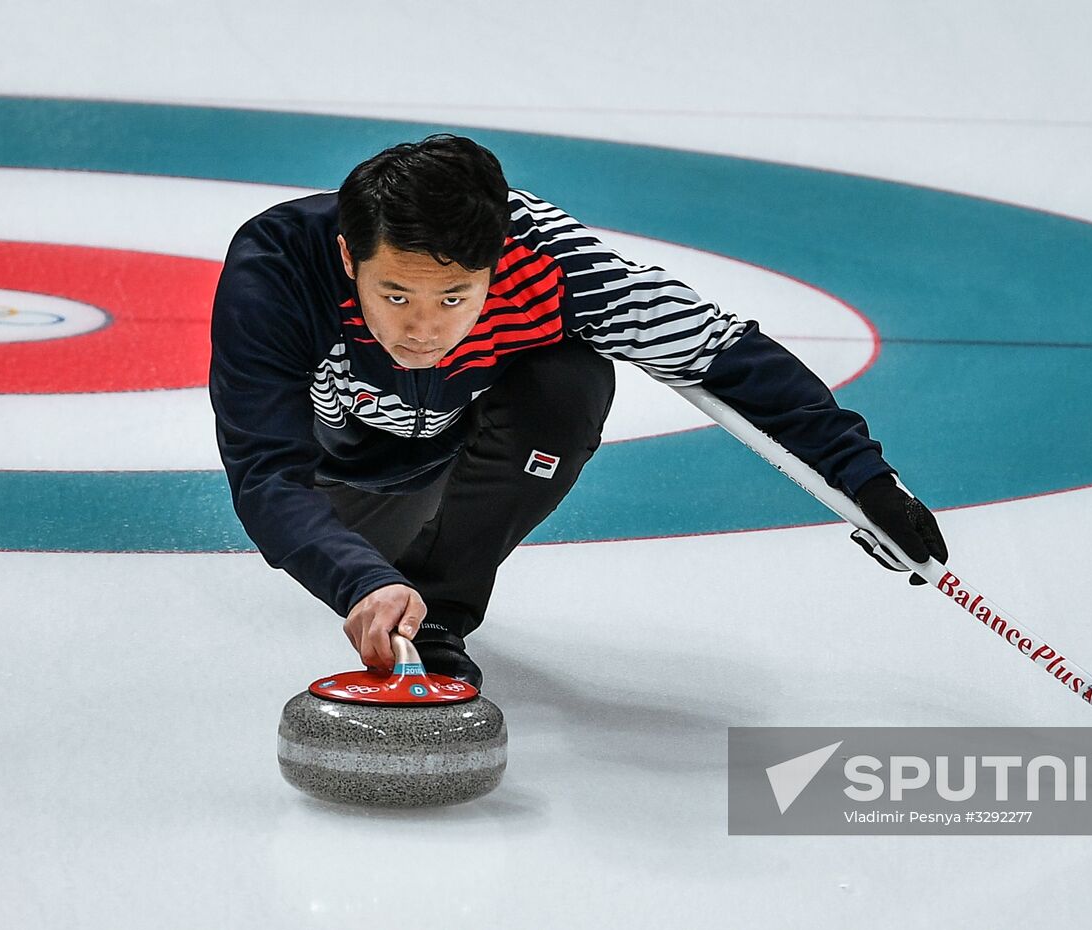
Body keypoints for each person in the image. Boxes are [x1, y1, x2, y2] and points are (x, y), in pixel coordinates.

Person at [209, 133, 948, 689]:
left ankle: (438, 615)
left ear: (497, 263)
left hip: (461, 452)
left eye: (454, 297)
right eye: (395, 295)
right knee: (358, 530)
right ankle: (394, 564)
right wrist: (357, 577)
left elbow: (719, 352)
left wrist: (867, 483)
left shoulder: (554, 264)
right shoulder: (278, 267)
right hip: (341, 482)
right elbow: (269, 476)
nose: (422, 329)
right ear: (348, 258)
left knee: (573, 379)